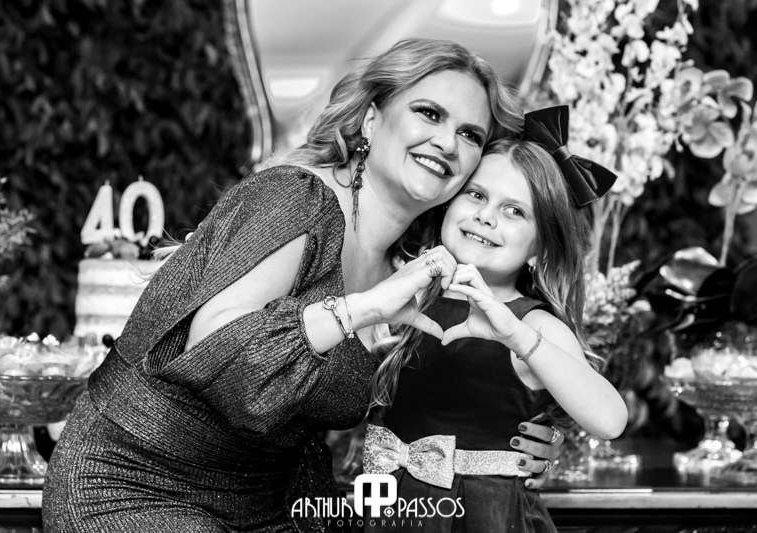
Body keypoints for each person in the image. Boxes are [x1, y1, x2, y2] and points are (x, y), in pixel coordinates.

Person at [43, 39, 563, 533]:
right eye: (429, 113)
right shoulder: (296, 199)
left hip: (272, 503)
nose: (447, 142)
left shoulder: (414, 265)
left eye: (470, 134)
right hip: (135, 482)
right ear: (372, 117)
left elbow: (448, 391)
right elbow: (215, 344)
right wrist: (359, 309)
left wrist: (522, 439)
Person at [359, 107, 629, 532]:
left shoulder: (532, 326)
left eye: (515, 211)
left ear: (540, 249)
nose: (486, 216)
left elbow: (610, 421)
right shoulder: (401, 293)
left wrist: (515, 335)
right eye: (476, 195)